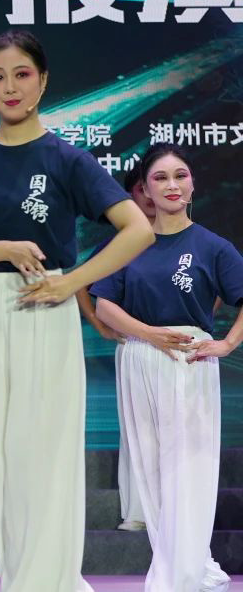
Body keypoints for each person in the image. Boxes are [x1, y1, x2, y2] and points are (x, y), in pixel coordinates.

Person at [0, 31, 153, 592]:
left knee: (44, 450)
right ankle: (20, 579)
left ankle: (49, 580)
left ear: (43, 81)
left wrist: (71, 281)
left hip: (43, 306)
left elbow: (137, 229)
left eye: (22, 74)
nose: (10, 87)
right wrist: (2, 246)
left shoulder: (67, 158)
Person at [92, 144, 243, 592]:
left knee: (188, 465)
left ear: (193, 184)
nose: (172, 185)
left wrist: (227, 343)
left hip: (190, 360)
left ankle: (185, 568)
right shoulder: (129, 243)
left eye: (180, 175)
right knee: (151, 466)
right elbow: (104, 306)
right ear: (145, 190)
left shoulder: (213, 246)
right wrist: (149, 334)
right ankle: (177, 562)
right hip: (140, 356)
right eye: (160, 178)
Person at [74, 167, 155, 533]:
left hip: (186, 347)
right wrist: (98, 322)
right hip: (135, 345)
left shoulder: (192, 238)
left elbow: (220, 287)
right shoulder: (122, 243)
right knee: (138, 431)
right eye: (141, 189)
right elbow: (80, 283)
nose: (150, 196)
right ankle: (138, 511)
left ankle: (181, 514)